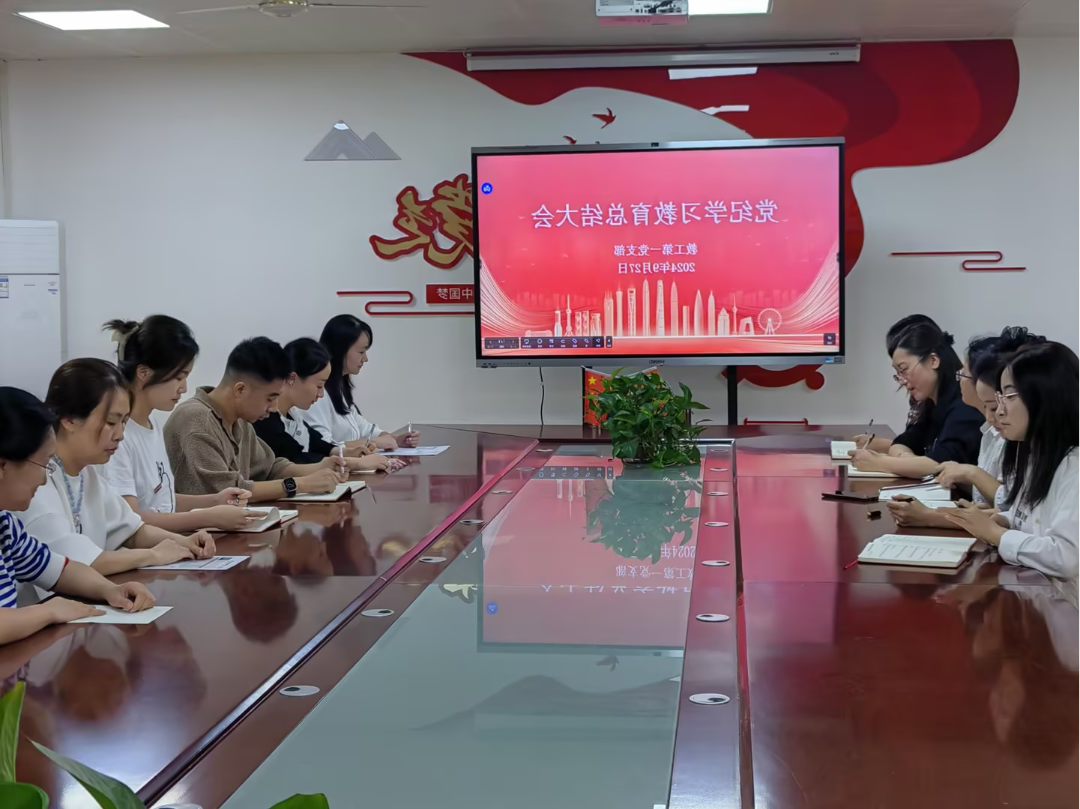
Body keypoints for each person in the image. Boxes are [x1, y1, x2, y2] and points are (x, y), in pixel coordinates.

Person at [15, 360, 214, 578]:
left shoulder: (87, 474)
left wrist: (183, 542)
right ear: (69, 419)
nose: (120, 435)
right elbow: (73, 565)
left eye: (124, 422)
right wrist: (153, 555)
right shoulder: (35, 482)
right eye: (111, 422)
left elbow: (132, 530)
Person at [0, 387, 156, 644]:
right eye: (43, 464)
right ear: (3, 465)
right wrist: (48, 611)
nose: (44, 479)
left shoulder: (6, 526)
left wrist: (109, 589)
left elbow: (57, 569)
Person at [102, 316, 257, 532]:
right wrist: (207, 518)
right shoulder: (119, 437)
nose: (183, 388)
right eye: (179, 377)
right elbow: (130, 519)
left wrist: (215, 500)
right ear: (144, 373)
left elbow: (162, 502)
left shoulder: (151, 425)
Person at [948, 342, 1080, 579]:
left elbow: (1066, 557)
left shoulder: (1074, 466)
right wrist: (1001, 520)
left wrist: (997, 534)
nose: (999, 411)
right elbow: (1031, 520)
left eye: (1009, 396)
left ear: (1046, 396)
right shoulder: (1034, 454)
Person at [164, 337, 348, 502]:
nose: (274, 407)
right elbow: (228, 492)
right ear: (240, 389)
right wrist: (301, 484)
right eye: (270, 398)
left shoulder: (240, 421)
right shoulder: (197, 421)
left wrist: (319, 468)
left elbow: (269, 467)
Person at [850, 319, 984, 478]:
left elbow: (941, 465)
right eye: (898, 374)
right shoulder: (932, 403)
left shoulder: (964, 403)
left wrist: (880, 463)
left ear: (933, 360)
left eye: (904, 370)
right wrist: (911, 462)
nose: (902, 381)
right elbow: (903, 443)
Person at [936, 327, 1046, 505]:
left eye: (964, 374)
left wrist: (971, 474)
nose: (994, 415)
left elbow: (1011, 505)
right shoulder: (993, 429)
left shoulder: (1015, 434)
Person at [254, 338, 399, 473]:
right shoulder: (265, 418)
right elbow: (296, 458)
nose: (321, 394)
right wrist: (354, 463)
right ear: (292, 378)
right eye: (319, 386)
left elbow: (318, 443)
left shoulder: (292, 414)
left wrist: (347, 452)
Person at [302, 315, 419, 452]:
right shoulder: (316, 395)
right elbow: (322, 447)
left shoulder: (339, 387)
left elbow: (362, 426)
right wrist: (372, 443)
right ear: (340, 350)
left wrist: (393, 438)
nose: (365, 358)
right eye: (361, 351)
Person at [855, 314, 939, 454]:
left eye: (904, 369)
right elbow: (917, 444)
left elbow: (938, 459)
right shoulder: (923, 397)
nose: (903, 381)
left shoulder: (956, 401)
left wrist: (886, 457)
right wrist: (889, 446)